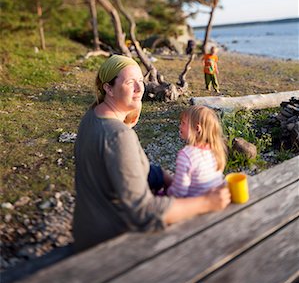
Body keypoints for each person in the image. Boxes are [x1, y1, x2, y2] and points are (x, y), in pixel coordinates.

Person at [73, 54, 230, 253]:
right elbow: (143, 211)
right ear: (108, 88)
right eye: (131, 83)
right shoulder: (118, 135)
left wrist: (160, 175)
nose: (140, 89)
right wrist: (206, 202)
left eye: (141, 81)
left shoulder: (92, 116)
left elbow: (119, 167)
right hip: (111, 243)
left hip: (87, 229)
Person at [167, 105, 227, 197]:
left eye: (183, 123)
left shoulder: (186, 155)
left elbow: (179, 192)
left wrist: (166, 192)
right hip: (215, 198)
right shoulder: (215, 149)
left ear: (197, 129)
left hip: (196, 205)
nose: (180, 126)